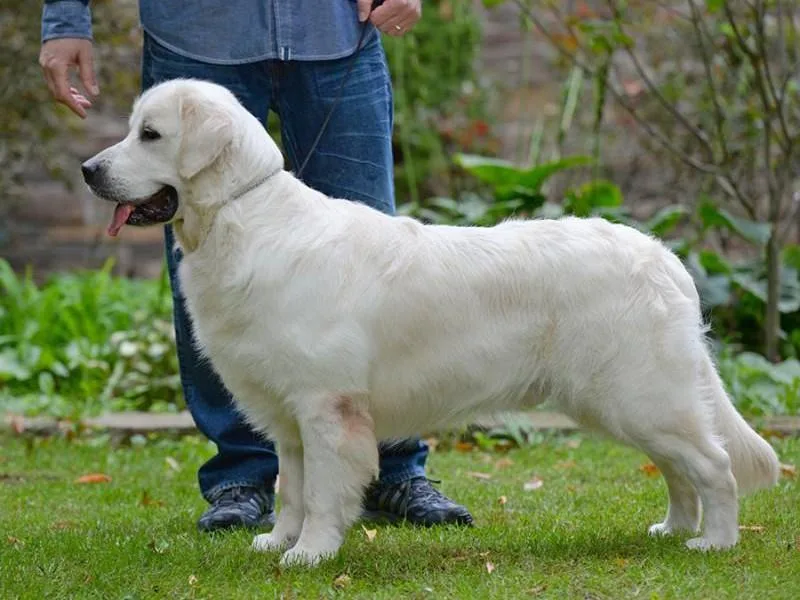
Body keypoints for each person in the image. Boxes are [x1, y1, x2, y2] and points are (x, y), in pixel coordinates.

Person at [39, 0, 473, 532]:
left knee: (380, 263)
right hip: (198, 33)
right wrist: (65, 19)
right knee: (209, 258)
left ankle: (396, 468)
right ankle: (240, 477)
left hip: (338, 33)